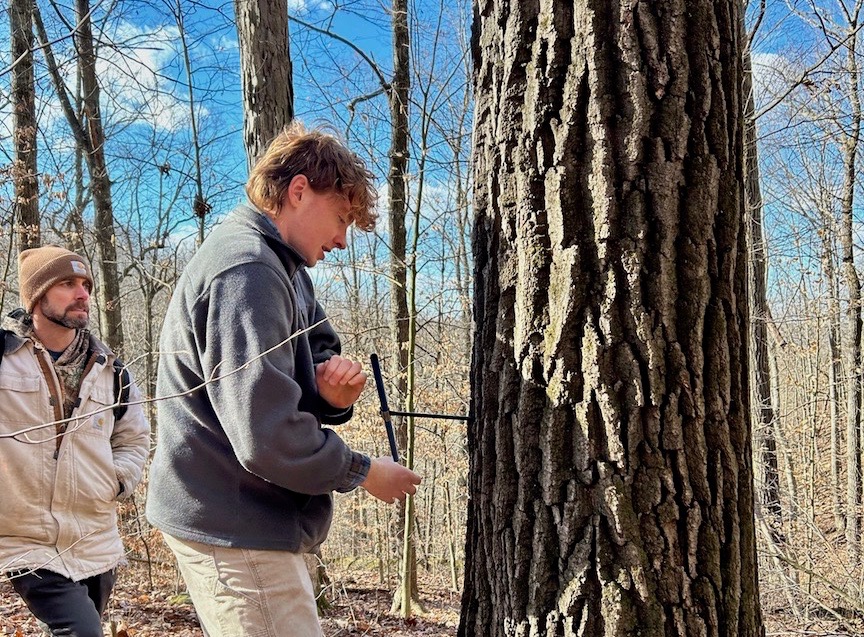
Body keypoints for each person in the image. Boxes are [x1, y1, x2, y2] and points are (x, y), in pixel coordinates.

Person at [145, 121, 421, 636]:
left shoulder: (283, 267)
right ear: (298, 192)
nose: (341, 240)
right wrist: (361, 472)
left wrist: (330, 393)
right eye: (340, 218)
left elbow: (317, 348)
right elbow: (265, 435)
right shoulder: (245, 269)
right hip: (234, 524)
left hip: (249, 518)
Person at [0, 246, 150, 637]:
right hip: (25, 537)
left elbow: (134, 438)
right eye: (67, 284)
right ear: (37, 296)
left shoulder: (110, 369)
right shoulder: (4, 357)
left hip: (94, 534)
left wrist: (114, 480)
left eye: (86, 284)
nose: (82, 293)